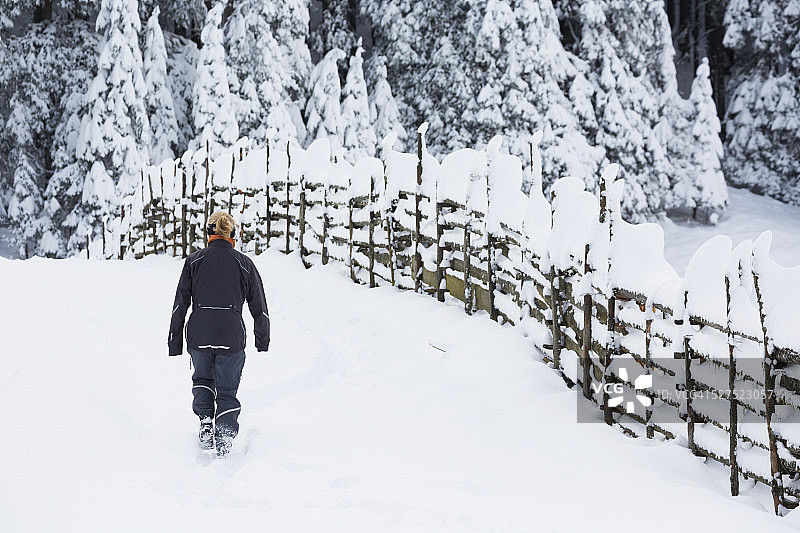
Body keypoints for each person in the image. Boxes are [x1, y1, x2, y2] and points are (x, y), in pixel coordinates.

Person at [168, 212, 270, 456]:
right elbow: (260, 306)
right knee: (227, 388)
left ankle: (205, 421)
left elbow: (180, 303)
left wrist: (175, 341)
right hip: (231, 336)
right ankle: (224, 433)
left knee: (202, 379)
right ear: (232, 235)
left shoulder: (194, 261)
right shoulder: (245, 264)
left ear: (208, 233)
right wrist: (262, 338)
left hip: (200, 335)